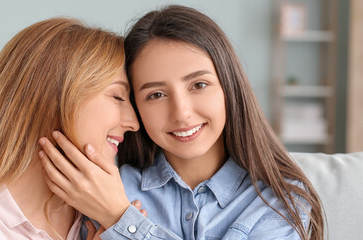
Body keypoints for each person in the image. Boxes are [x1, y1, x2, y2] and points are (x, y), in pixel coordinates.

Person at [39, 5, 324, 240]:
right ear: (135, 106)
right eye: (156, 94)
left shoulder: (279, 200)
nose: (181, 113)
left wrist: (120, 219)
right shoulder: (104, 188)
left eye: (198, 85)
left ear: (229, 86)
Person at [0, 17, 141, 240]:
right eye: (117, 96)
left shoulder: (106, 206)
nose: (134, 122)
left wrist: (118, 220)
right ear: (51, 100)